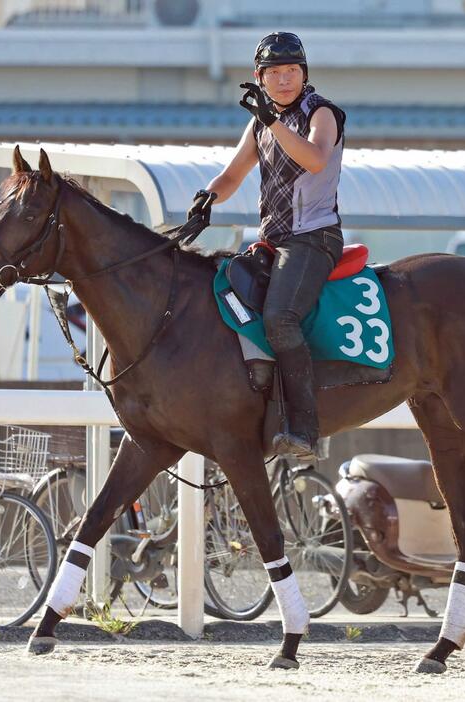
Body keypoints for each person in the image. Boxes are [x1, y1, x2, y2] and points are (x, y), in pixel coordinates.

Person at [188, 31, 346, 458]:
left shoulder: (323, 114)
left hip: (314, 238)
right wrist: (208, 198)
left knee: (279, 318)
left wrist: (272, 121)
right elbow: (233, 174)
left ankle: (306, 431)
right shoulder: (261, 122)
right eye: (274, 72)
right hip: (272, 242)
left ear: (304, 73)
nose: (284, 80)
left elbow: (314, 159)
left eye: (292, 70)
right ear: (259, 78)